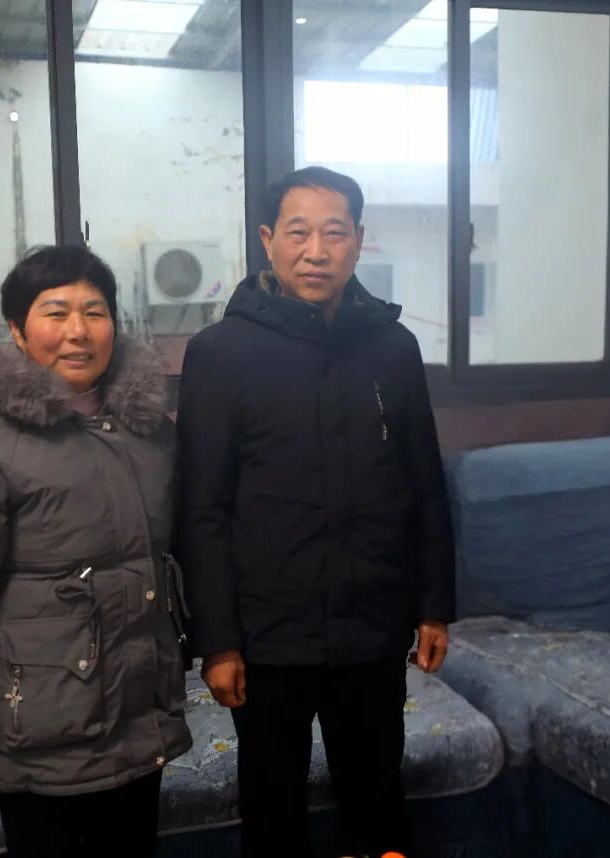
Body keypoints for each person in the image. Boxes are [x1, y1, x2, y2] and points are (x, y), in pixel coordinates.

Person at [176, 166, 455, 858]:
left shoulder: (393, 347)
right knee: (272, 809)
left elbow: (424, 484)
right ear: (267, 240)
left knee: (376, 800)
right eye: (298, 233)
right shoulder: (219, 354)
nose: (316, 251)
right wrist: (218, 641)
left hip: (373, 624)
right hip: (269, 635)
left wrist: (434, 605)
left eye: (334, 233)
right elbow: (202, 509)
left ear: (359, 240)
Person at [0, 244, 191, 858]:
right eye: (56, 312)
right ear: (17, 329)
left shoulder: (150, 433)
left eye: (95, 312)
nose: (78, 331)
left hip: (139, 715)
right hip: (39, 722)